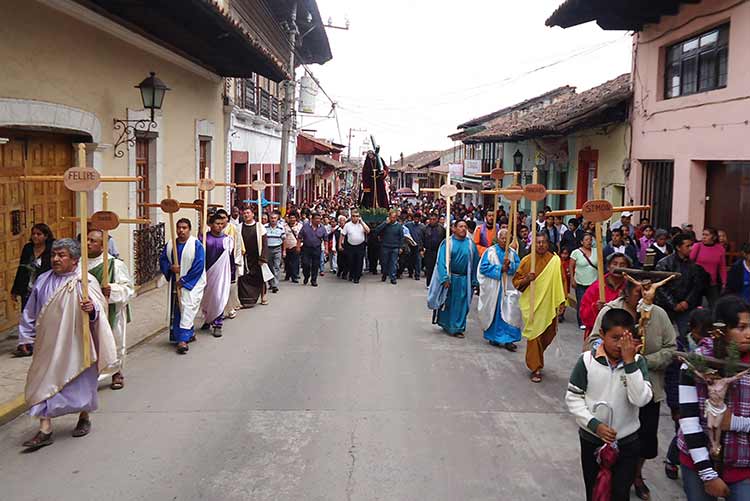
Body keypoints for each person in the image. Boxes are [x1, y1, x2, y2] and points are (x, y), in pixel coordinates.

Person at [20, 238, 117, 451]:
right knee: (42, 383)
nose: (55, 259)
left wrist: (91, 309)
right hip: (48, 344)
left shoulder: (85, 281)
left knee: (80, 382)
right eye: (54, 254)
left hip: (77, 344)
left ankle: (84, 417)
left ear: (74, 260)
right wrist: (25, 337)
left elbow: (99, 311)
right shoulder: (43, 280)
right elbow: (30, 310)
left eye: (61, 255)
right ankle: (45, 429)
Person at [588, 278, 677, 500]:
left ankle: (636, 476)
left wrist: (640, 361)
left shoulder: (659, 314)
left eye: (649, 290)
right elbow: (593, 342)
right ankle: (607, 474)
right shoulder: (611, 311)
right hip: (613, 390)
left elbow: (671, 348)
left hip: (648, 389)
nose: (645, 293)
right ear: (626, 292)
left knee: (644, 439)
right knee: (612, 437)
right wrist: (616, 354)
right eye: (640, 290)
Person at [566, 308, 653, 501]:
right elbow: (573, 398)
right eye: (614, 338)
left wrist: (630, 363)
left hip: (626, 441)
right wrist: (594, 425)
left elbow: (641, 399)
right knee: (595, 491)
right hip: (592, 440)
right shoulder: (587, 361)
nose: (619, 344)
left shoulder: (637, 363)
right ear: (603, 335)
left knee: (620, 493)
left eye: (625, 339)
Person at [677, 296, 750, 500]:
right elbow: (689, 420)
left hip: (743, 466)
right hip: (697, 463)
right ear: (721, 330)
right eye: (741, 327)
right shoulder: (696, 363)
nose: (749, 334)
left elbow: (732, 422)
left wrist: (733, 422)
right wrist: (708, 474)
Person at [664, 307, 713, 481]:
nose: (705, 338)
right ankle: (672, 459)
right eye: (702, 333)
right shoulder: (679, 348)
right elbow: (670, 380)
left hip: (704, 401)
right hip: (681, 400)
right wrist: (675, 405)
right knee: (683, 433)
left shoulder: (714, 350)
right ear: (691, 328)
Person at [513, 233, 566, 383]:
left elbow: (562, 281)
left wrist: (562, 302)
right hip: (533, 306)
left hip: (549, 304)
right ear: (533, 244)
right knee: (534, 336)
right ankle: (535, 367)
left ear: (548, 244)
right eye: (538, 243)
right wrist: (526, 279)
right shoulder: (527, 260)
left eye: (543, 242)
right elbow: (516, 282)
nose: (541, 245)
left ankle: (536, 355)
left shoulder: (555, 261)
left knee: (548, 334)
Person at [87, 229, 134, 391]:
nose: (88, 243)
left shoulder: (114, 264)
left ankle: (117, 373)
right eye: (87, 240)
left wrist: (112, 290)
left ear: (103, 246)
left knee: (113, 342)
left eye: (93, 241)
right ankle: (89, 376)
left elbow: (128, 288)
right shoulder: (79, 264)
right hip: (87, 312)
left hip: (111, 311)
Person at [160, 218, 206, 354]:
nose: (181, 230)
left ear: (189, 229)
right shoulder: (170, 245)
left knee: (188, 308)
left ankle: (183, 340)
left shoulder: (196, 245)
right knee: (178, 309)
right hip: (176, 283)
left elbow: (199, 265)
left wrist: (184, 280)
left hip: (192, 283)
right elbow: (162, 259)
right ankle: (185, 334)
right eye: (179, 227)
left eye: (184, 228)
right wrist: (170, 268)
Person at [428, 220, 479, 338]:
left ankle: (458, 328)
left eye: (465, 227)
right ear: (454, 229)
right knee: (449, 302)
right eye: (460, 226)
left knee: (462, 303)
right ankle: (447, 324)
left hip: (465, 279)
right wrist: (444, 277)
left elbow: (475, 262)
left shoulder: (471, 244)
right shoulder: (448, 243)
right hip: (451, 279)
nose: (463, 229)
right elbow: (441, 262)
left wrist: (474, 279)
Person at [12, 223, 54, 357]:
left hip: (44, 288)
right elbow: (22, 268)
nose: (35, 236)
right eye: (33, 234)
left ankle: (43, 342)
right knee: (26, 314)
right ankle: (25, 344)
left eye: (39, 234)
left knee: (42, 315)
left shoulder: (51, 249)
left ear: (46, 236)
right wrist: (16, 289)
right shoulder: (28, 248)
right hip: (28, 287)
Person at [478, 229, 521, 351]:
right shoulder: (490, 252)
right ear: (498, 238)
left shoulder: (512, 254)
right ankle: (494, 337)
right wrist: (500, 268)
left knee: (511, 313)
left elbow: (519, 268)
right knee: (495, 312)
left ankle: (509, 340)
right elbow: (483, 268)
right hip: (495, 288)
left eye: (507, 239)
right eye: (502, 238)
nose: (504, 241)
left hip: (509, 288)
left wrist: (511, 266)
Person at [655, 233, 706, 336]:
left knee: (685, 335)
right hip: (667, 306)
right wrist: (673, 304)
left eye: (692, 245)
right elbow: (660, 287)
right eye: (687, 246)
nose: (691, 249)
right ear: (678, 247)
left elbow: (696, 286)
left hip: (686, 306)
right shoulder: (664, 263)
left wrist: (686, 302)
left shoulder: (693, 266)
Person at [579, 253, 630, 339]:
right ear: (608, 267)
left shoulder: (630, 289)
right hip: (598, 336)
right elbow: (584, 316)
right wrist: (595, 308)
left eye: (622, 265)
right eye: (615, 264)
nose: (618, 267)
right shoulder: (596, 287)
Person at [199, 214, 235, 338]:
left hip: (221, 274)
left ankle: (218, 324)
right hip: (206, 272)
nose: (220, 226)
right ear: (210, 224)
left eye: (221, 224)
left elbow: (231, 258)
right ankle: (208, 319)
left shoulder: (228, 239)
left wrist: (232, 273)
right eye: (217, 223)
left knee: (218, 297)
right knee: (206, 298)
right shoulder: (204, 239)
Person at [690, 226, 727, 307]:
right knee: (695, 306)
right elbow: (689, 261)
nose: (704, 237)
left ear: (713, 237)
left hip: (712, 283)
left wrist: (724, 283)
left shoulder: (720, 248)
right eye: (703, 234)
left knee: (715, 306)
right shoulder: (697, 246)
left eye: (706, 235)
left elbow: (722, 267)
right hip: (697, 282)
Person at [239, 206, 269, 304]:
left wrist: (263, 257)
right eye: (244, 213)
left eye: (248, 213)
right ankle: (246, 299)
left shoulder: (259, 227)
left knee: (261, 276)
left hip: (257, 256)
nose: (246, 215)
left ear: (253, 214)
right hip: (245, 256)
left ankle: (263, 296)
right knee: (244, 277)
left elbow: (264, 243)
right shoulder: (239, 227)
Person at [570, 234, 599, 330]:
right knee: (582, 302)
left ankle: (592, 320)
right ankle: (581, 321)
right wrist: (572, 279)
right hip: (580, 281)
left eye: (590, 240)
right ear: (582, 242)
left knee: (593, 302)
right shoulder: (576, 252)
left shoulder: (596, 251)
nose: (589, 242)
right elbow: (571, 266)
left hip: (594, 282)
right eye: (586, 240)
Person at [372, 209, 404, 285]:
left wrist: (401, 247)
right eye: (391, 217)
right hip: (385, 246)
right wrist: (385, 223)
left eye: (394, 217)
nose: (392, 219)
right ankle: (384, 274)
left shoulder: (399, 226)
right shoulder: (385, 224)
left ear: (396, 217)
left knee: (393, 263)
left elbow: (401, 237)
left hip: (395, 247)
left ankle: (393, 277)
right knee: (384, 262)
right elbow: (377, 230)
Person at [297, 212, 327, 287]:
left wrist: (326, 249)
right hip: (306, 248)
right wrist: (298, 247)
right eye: (316, 219)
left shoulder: (322, 228)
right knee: (305, 264)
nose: (318, 220)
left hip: (317, 248)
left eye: (319, 219)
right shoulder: (305, 226)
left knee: (315, 265)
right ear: (312, 219)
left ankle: (314, 280)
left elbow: (325, 239)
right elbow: (300, 237)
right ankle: (306, 276)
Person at [341, 210, 369, 284]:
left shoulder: (361, 224)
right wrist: (340, 244)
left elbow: (368, 231)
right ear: (351, 217)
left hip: (360, 246)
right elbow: (343, 234)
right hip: (350, 246)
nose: (355, 218)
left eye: (357, 216)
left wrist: (362, 222)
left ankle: (357, 277)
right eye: (353, 216)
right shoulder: (347, 225)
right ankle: (352, 274)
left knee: (359, 262)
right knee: (351, 261)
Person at [264, 212, 285, 293]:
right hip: (268, 249)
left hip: (277, 249)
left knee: (276, 266)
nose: (273, 220)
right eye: (271, 218)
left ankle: (275, 285)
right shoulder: (265, 227)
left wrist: (284, 251)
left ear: (277, 219)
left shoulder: (281, 228)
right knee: (269, 267)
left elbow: (283, 240)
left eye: (274, 218)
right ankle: (271, 282)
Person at [423, 212, 445, 287]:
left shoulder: (441, 229)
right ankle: (429, 283)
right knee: (429, 268)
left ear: (437, 220)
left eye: (434, 219)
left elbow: (444, 239)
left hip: (438, 251)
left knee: (438, 267)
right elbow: (422, 239)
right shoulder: (425, 228)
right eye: (431, 219)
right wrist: (421, 249)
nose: (432, 221)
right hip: (429, 251)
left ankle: (437, 283)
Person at [405, 213, 426, 280]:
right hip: (410, 245)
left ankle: (417, 274)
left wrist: (423, 247)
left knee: (418, 260)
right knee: (410, 260)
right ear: (413, 218)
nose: (416, 219)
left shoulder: (423, 226)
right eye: (415, 218)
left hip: (419, 246)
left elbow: (424, 237)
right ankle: (410, 272)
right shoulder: (408, 225)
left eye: (418, 218)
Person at [283, 212, 302, 283]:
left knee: (294, 261)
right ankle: (288, 275)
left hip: (295, 245)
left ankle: (294, 276)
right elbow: (283, 237)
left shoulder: (299, 226)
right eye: (290, 218)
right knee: (287, 262)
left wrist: (299, 246)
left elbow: (301, 236)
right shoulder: (284, 226)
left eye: (293, 218)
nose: (292, 219)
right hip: (287, 246)